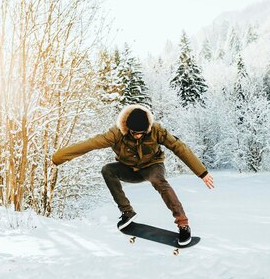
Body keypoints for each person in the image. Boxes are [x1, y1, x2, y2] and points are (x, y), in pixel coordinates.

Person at [51, 104, 214, 246]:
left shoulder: (156, 130)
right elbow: (90, 144)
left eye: (141, 133)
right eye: (134, 133)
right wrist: (60, 157)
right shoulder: (115, 133)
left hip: (152, 167)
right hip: (129, 169)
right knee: (107, 170)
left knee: (158, 180)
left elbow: (179, 147)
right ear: (127, 128)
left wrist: (202, 172)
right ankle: (127, 212)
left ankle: (183, 224)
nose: (137, 136)